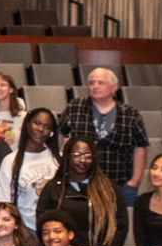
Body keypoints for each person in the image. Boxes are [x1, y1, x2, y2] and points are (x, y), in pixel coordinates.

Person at [58, 67, 149, 210]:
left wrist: (135, 181)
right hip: (80, 184)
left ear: (114, 87)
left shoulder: (130, 114)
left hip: (120, 184)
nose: (95, 86)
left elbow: (140, 147)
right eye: (92, 83)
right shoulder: (75, 107)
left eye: (101, 83)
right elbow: (60, 134)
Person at [0, 107, 60, 232]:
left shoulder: (57, 159)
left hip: (54, 230)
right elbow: (4, 204)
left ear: (51, 132)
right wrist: (22, 231)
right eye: (37, 123)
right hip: (26, 229)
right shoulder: (10, 161)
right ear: (27, 125)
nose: (41, 129)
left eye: (47, 127)